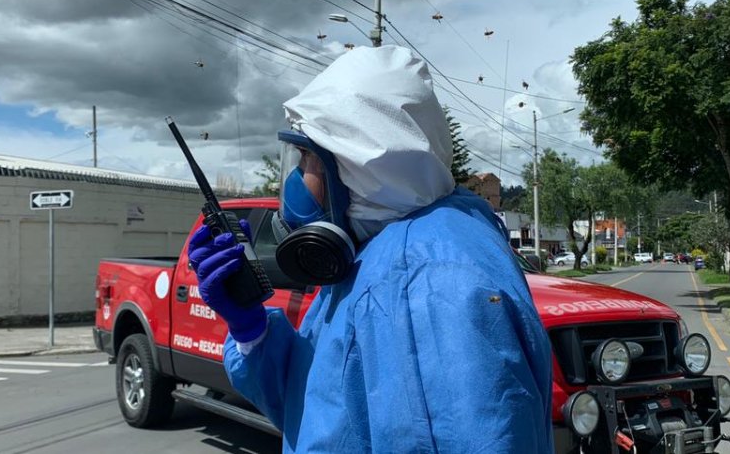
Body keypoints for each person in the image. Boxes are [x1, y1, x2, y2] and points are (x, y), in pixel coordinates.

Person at [187, 46, 553, 453]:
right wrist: (251, 331)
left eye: (307, 157)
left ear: (359, 169)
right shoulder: (377, 253)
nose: (296, 177)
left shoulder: (418, 278)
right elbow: (317, 412)